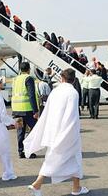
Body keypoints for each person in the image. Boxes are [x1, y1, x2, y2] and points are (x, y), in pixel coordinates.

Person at [24, 68, 89, 196]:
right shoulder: (73, 93)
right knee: (61, 158)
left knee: (65, 159)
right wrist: (69, 134)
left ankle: (76, 187)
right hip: (67, 132)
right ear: (74, 79)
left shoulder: (55, 91)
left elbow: (47, 111)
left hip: (53, 131)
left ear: (62, 78)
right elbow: (71, 116)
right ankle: (37, 183)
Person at [12, 62, 39, 159]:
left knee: (20, 131)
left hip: (16, 109)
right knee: (34, 130)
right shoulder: (28, 78)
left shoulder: (15, 79)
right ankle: (29, 151)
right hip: (27, 109)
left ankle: (21, 151)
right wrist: (35, 110)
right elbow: (31, 95)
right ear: (29, 69)